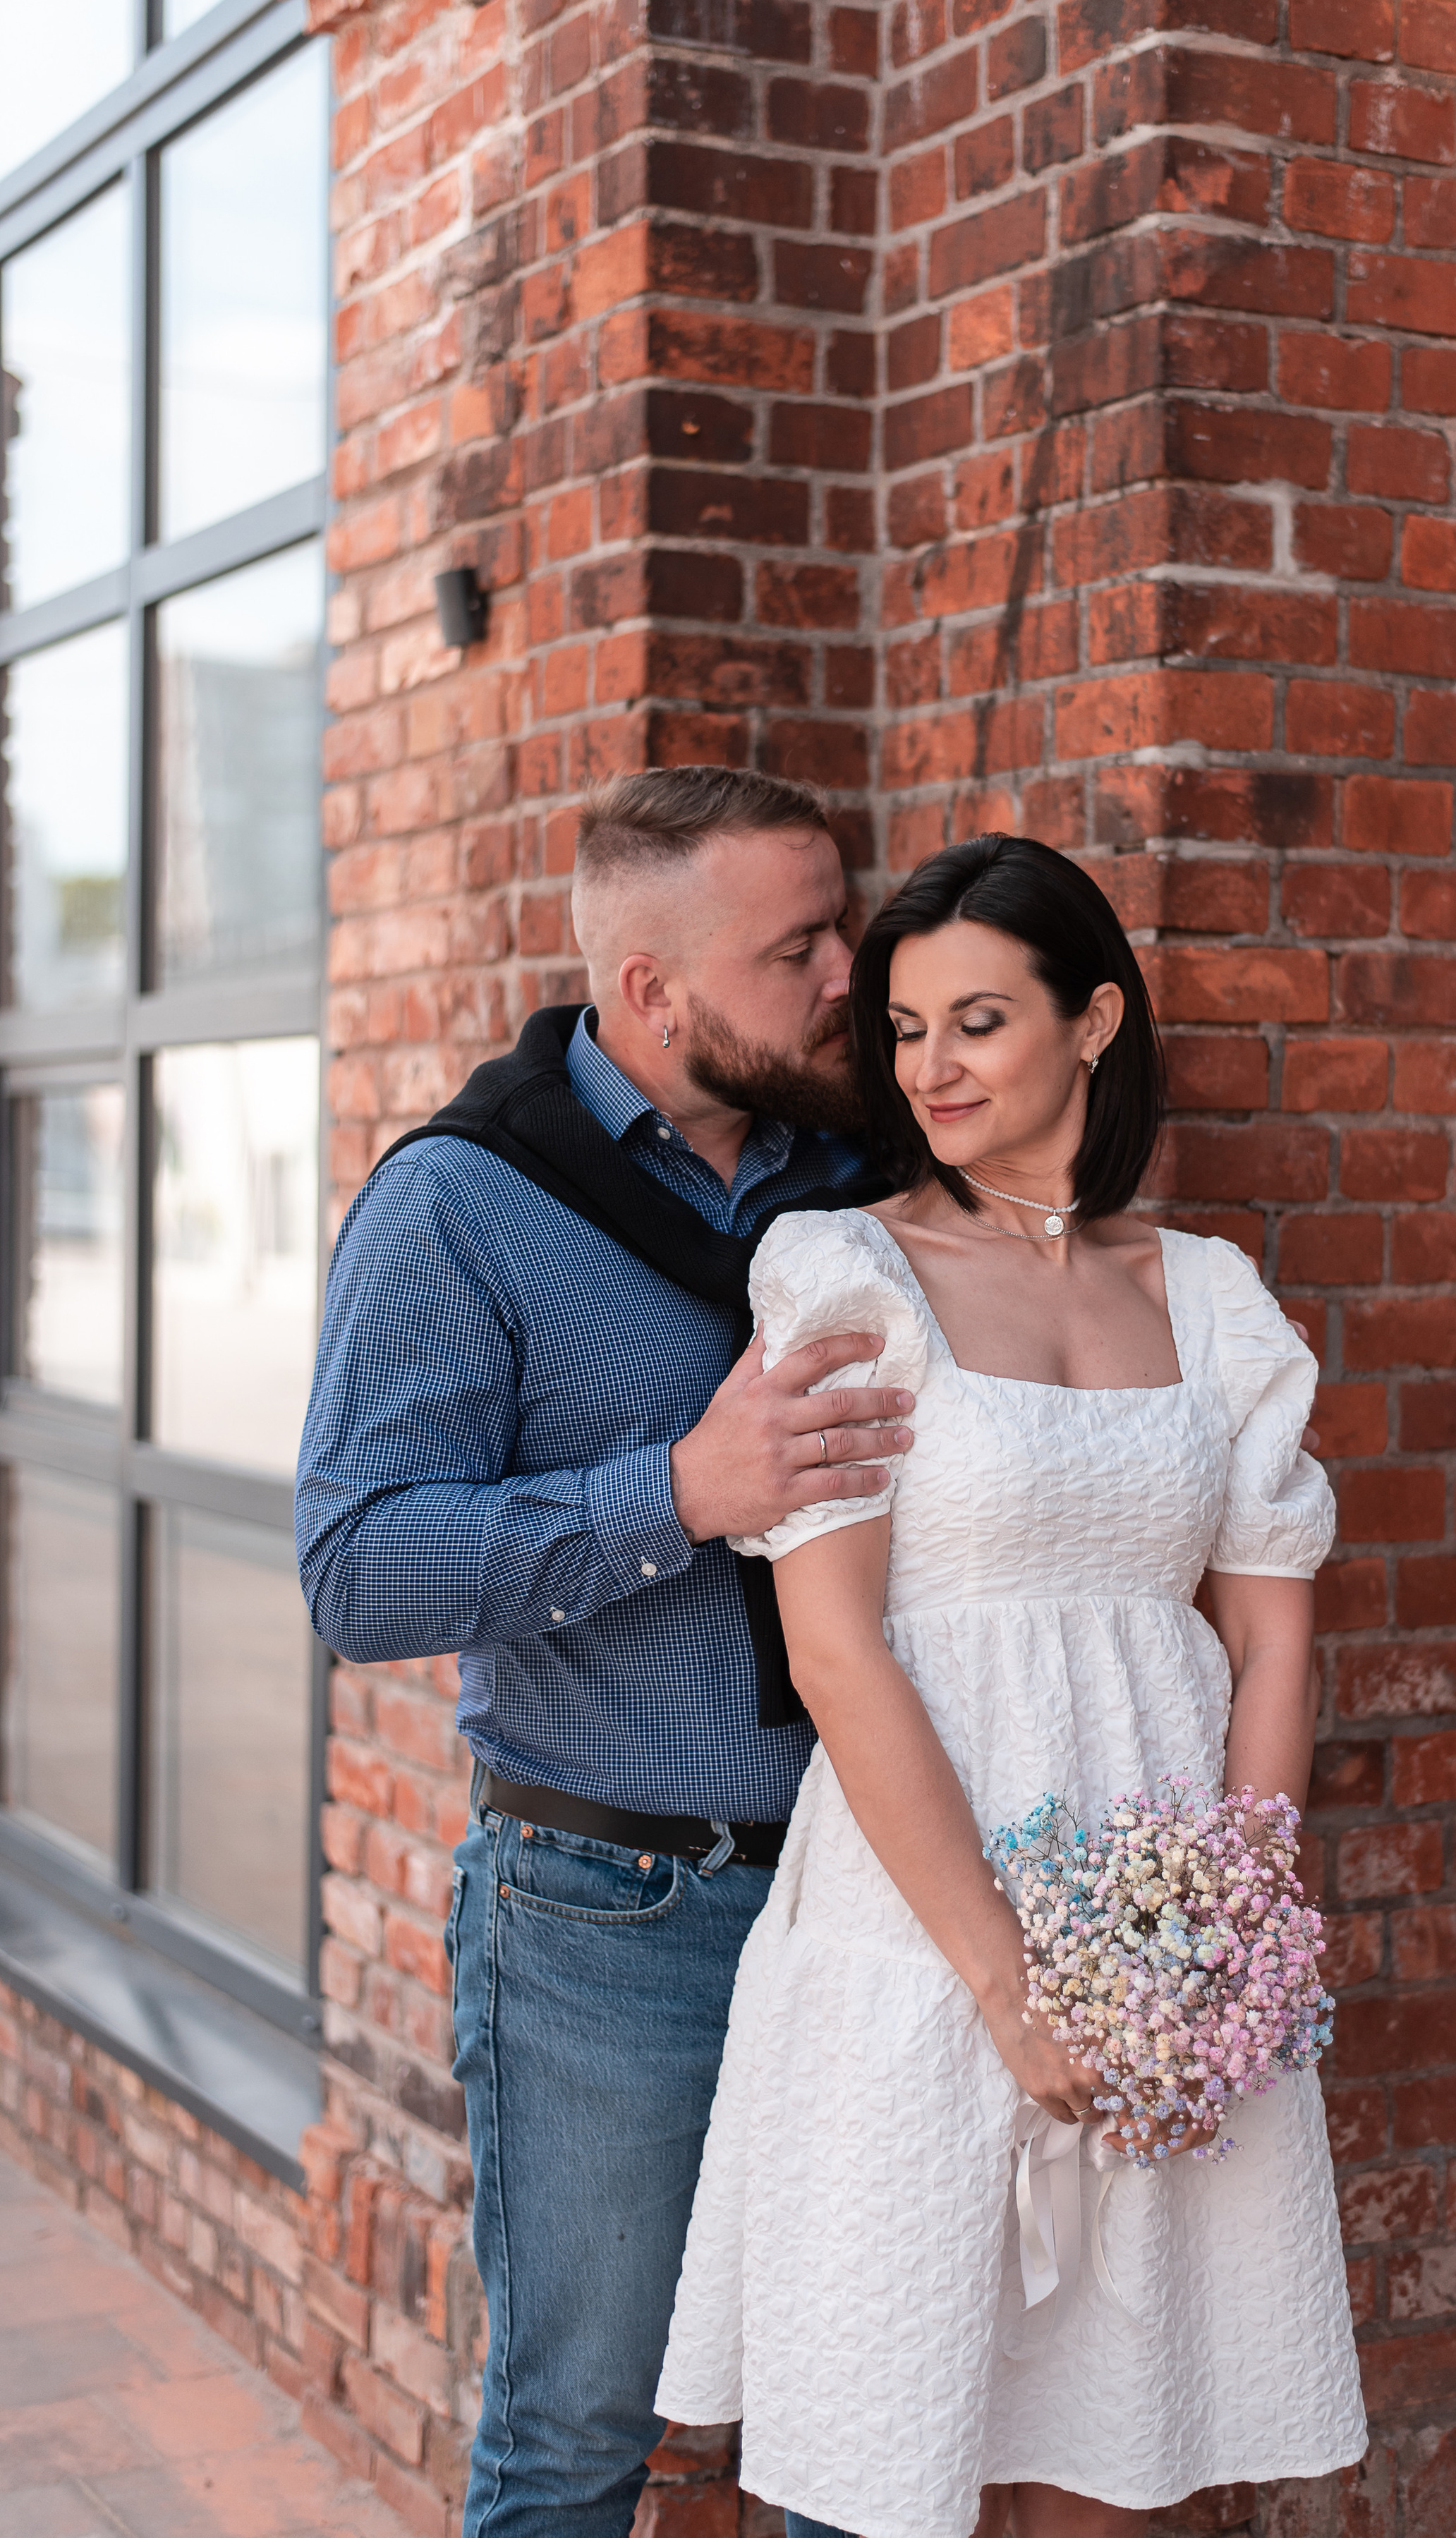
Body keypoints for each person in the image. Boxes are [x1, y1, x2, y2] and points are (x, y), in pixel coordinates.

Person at [656, 832, 1367, 2538]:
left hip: (1156, 1917)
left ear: (1094, 1019)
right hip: (923, 1918)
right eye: (904, 1029)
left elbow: (1269, 1633)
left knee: (1118, 2461)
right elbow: (835, 1644)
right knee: (892, 2448)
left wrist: (1227, 1923)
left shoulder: (1210, 1301)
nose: (930, 1068)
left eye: (976, 1020)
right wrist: (1002, 1983)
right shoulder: (847, 1274)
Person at [297, 766, 916, 2538]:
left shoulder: (866, 1171)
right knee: (579, 2432)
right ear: (650, 993)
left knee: (857, 2428)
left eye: (843, 927)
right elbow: (355, 1569)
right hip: (602, 1916)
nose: (844, 976)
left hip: (867, 1900)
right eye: (796, 946)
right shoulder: (462, 1207)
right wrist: (678, 1490)